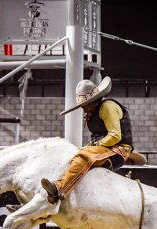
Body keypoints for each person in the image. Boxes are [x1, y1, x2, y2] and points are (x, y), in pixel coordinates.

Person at [40, 76, 145, 204]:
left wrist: (93, 146)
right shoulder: (95, 110)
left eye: (84, 105)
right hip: (106, 148)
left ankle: (60, 188)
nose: (82, 108)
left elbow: (115, 136)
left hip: (117, 150)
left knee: (83, 156)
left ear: (92, 101)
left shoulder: (107, 107)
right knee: (73, 156)